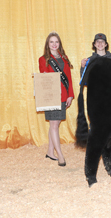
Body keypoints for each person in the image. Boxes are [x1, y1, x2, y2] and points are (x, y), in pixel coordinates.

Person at [80, 33, 111, 155]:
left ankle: (110, 148)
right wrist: (82, 67)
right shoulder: (89, 60)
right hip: (95, 96)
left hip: (110, 96)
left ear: (106, 44)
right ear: (94, 44)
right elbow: (84, 79)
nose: (100, 44)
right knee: (95, 122)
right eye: (98, 42)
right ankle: (95, 147)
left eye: (102, 42)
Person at [38, 32, 74, 167]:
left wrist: (70, 94)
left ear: (59, 43)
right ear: (48, 44)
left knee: (56, 124)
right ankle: (60, 155)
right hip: (51, 95)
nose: (54, 44)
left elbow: (69, 77)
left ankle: (49, 152)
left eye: (56, 42)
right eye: (51, 42)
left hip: (63, 95)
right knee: (53, 125)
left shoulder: (65, 57)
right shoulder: (43, 59)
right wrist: (45, 75)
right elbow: (43, 76)